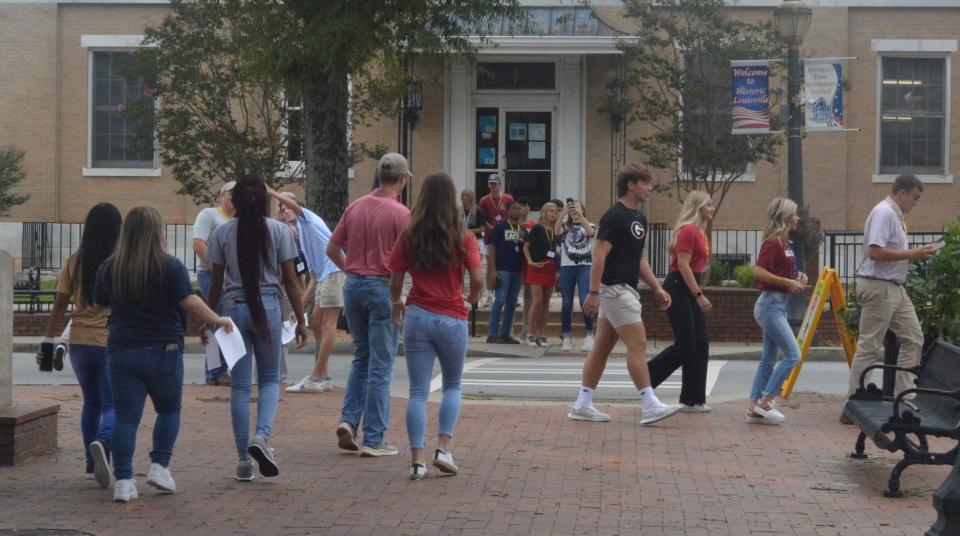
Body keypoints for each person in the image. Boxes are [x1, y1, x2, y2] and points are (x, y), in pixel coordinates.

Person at [94, 206, 234, 502]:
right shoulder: (170, 266)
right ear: (157, 232)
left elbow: (99, 305)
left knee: (125, 418)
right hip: (163, 349)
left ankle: (123, 481)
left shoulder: (110, 267)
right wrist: (218, 319)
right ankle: (159, 466)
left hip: (122, 349)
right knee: (168, 410)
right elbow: (189, 302)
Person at [206, 175, 308, 480]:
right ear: (265, 201)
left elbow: (215, 283)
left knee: (240, 385)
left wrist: (211, 319)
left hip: (233, 310)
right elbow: (290, 280)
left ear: (234, 202)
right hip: (268, 307)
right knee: (268, 380)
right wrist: (301, 320)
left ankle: (242, 461)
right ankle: (261, 437)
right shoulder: (278, 231)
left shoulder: (223, 233)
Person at [567, 165, 682, 426]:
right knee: (638, 344)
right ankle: (649, 403)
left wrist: (657, 287)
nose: (649, 188)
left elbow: (639, 259)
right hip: (615, 289)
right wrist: (593, 292)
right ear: (631, 185)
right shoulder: (614, 216)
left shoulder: (639, 219)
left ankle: (583, 403)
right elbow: (599, 255)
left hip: (624, 289)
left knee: (602, 348)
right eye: (645, 183)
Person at [388, 172, 483, 480]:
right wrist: (473, 295)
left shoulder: (410, 235)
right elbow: (479, 277)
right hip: (452, 316)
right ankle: (443, 447)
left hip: (417, 313)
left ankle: (417, 459)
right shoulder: (463, 237)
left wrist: (396, 303)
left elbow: (395, 278)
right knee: (452, 385)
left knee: (417, 391)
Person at [327, 153, 411, 457]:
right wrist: (397, 298)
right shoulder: (401, 214)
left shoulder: (356, 206)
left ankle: (350, 420)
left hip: (354, 285)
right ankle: (374, 437)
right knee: (381, 364)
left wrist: (350, 267)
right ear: (402, 179)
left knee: (361, 357)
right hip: (382, 286)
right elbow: (406, 261)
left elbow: (332, 247)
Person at [36, 203, 121, 489]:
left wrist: (49, 342)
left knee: (91, 402)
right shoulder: (119, 262)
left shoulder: (75, 261)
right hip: (110, 340)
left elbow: (60, 304)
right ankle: (104, 443)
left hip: (80, 342)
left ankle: (89, 459)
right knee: (113, 403)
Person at [842, 174, 937, 423]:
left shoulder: (894, 215)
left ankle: (903, 400)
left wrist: (912, 254)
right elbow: (874, 252)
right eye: (914, 198)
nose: (915, 203)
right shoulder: (884, 212)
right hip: (879, 286)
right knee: (870, 344)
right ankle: (852, 403)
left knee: (914, 338)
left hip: (894, 288)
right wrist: (911, 254)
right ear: (902, 193)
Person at [268, 187, 344, 394]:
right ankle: (324, 377)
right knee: (316, 323)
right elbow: (313, 277)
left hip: (335, 273)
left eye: (288, 205)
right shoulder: (300, 235)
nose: (284, 209)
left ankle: (316, 376)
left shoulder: (307, 219)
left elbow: (293, 206)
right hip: (325, 277)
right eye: (280, 207)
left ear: (297, 206)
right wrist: (299, 307)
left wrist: (271, 192)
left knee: (328, 325)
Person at [646, 191, 715, 412]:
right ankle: (646, 375)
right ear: (697, 208)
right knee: (686, 343)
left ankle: (693, 399)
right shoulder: (688, 231)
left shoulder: (701, 232)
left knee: (700, 343)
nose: (712, 209)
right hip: (678, 285)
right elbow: (683, 265)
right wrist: (698, 294)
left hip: (689, 284)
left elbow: (695, 268)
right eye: (708, 205)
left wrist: (697, 290)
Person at [745, 198, 810, 425]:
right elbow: (759, 272)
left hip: (777, 304)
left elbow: (781, 274)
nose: (798, 218)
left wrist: (796, 277)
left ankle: (754, 406)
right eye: (794, 214)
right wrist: (786, 281)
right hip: (771, 305)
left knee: (768, 359)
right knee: (793, 354)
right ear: (785, 217)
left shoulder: (784, 243)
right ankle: (766, 401)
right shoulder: (773, 243)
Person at [192, 181, 235, 386]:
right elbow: (199, 245)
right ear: (221, 196)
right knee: (217, 319)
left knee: (225, 321)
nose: (233, 198)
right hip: (211, 276)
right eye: (229, 194)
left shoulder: (239, 220)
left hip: (231, 277)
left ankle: (220, 370)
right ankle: (216, 372)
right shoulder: (209, 215)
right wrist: (217, 272)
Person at [556, 200, 597, 352]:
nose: (574, 210)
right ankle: (566, 337)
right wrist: (563, 214)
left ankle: (589, 335)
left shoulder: (589, 224)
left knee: (584, 300)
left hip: (584, 266)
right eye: (572, 207)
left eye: (577, 207)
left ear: (583, 210)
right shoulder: (565, 226)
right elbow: (556, 232)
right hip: (567, 267)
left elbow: (591, 233)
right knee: (566, 303)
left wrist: (580, 216)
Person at [485, 201, 526, 344]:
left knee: (512, 302)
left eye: (519, 208)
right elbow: (491, 249)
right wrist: (493, 269)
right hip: (503, 269)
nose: (517, 211)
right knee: (500, 300)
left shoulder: (523, 230)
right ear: (507, 211)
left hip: (517, 270)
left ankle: (506, 333)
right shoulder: (499, 228)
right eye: (514, 208)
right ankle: (493, 333)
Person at [523, 202, 560, 347]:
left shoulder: (555, 230)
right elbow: (526, 247)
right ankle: (530, 334)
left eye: (556, 212)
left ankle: (541, 334)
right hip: (537, 266)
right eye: (551, 211)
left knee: (546, 302)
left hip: (550, 266)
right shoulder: (537, 228)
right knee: (537, 301)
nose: (554, 214)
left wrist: (557, 270)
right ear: (544, 212)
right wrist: (530, 261)